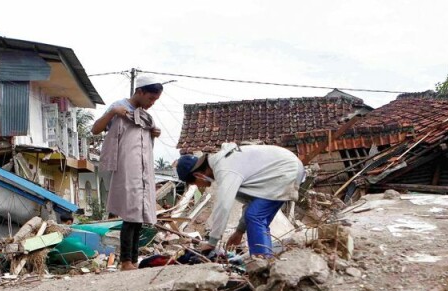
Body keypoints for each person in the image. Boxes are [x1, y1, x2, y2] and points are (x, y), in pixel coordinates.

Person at [175, 143, 303, 258]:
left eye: (195, 183)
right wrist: (239, 231)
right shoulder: (224, 163)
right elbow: (251, 201)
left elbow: (223, 205)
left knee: (255, 216)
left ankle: (263, 262)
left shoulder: (224, 168)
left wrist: (212, 242)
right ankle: (264, 259)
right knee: (255, 215)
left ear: (198, 175)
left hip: (285, 169)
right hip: (284, 169)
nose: (198, 186)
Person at [91, 75, 164, 270]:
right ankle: (125, 261)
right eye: (150, 99)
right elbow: (95, 129)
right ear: (140, 92)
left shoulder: (144, 115)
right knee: (130, 213)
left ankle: (133, 259)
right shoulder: (119, 107)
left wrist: (153, 132)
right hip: (127, 168)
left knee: (139, 214)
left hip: (142, 169)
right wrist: (113, 112)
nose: (152, 104)